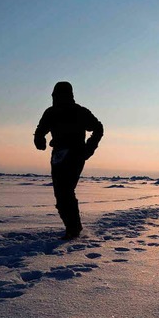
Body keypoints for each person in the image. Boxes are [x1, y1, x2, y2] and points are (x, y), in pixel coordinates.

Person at [34, 82, 104, 240]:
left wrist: (89, 149)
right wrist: (39, 140)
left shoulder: (79, 111)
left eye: (58, 94)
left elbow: (98, 128)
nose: (56, 97)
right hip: (58, 156)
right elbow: (40, 130)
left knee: (65, 192)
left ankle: (73, 229)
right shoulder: (51, 112)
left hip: (76, 155)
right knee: (61, 194)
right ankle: (73, 227)